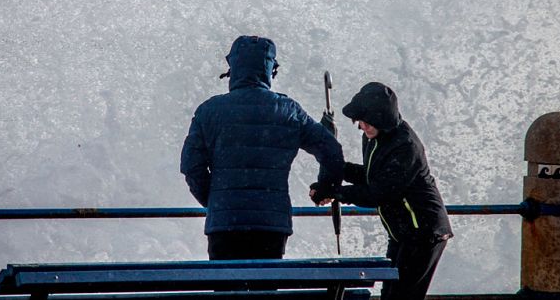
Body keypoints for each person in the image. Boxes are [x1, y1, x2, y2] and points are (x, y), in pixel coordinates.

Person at [180, 35, 344, 260]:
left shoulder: (209, 110)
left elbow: (191, 166)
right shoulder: (288, 111)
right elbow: (331, 151)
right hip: (271, 225)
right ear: (270, 70)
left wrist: (217, 201)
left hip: (224, 225)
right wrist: (325, 187)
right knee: (266, 291)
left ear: (234, 68)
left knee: (226, 292)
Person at [311, 82, 452, 300]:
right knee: (391, 294)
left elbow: (379, 192)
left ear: (382, 120)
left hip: (424, 233)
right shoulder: (375, 139)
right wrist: (335, 170)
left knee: (401, 296)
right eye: (360, 122)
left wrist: (336, 191)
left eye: (367, 122)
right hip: (403, 233)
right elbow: (371, 175)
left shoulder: (405, 146)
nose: (363, 127)